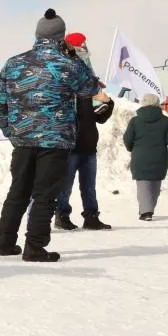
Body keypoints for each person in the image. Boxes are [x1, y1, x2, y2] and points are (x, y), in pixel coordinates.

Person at [0, 9, 108, 262]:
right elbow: (91, 88)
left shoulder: (14, 63)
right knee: (45, 193)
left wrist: (13, 131)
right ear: (62, 37)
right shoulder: (68, 64)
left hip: (23, 140)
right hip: (55, 141)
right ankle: (34, 247)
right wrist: (79, 58)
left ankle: (4, 243)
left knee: (18, 190)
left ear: (36, 34)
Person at [53, 32, 114, 231]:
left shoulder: (88, 86)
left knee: (89, 187)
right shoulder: (64, 85)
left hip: (88, 144)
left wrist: (109, 103)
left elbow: (99, 117)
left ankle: (91, 217)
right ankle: (61, 216)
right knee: (65, 187)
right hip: (70, 145)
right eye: (81, 48)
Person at [123, 93, 168, 221]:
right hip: (160, 157)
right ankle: (148, 209)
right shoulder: (165, 121)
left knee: (143, 185)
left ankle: (146, 212)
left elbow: (128, 139)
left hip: (140, 157)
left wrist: (131, 148)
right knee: (155, 185)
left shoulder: (135, 121)